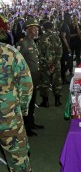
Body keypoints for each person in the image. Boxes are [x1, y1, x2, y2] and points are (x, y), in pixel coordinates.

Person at [0, 42, 33, 172]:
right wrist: (23, 110)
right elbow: (26, 86)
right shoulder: (10, 52)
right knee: (18, 162)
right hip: (9, 119)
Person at [17, 18, 44, 137]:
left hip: (35, 76)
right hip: (27, 78)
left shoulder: (33, 42)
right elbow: (17, 61)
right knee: (27, 103)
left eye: (37, 28)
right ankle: (26, 128)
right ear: (27, 30)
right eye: (34, 28)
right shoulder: (23, 43)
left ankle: (31, 123)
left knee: (33, 101)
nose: (37, 30)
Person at [38, 21, 63, 107]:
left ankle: (45, 102)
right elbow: (60, 52)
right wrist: (55, 63)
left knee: (44, 83)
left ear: (44, 28)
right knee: (57, 82)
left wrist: (47, 64)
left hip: (45, 65)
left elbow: (39, 53)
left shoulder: (41, 38)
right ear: (52, 27)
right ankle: (57, 101)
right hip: (56, 64)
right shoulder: (57, 38)